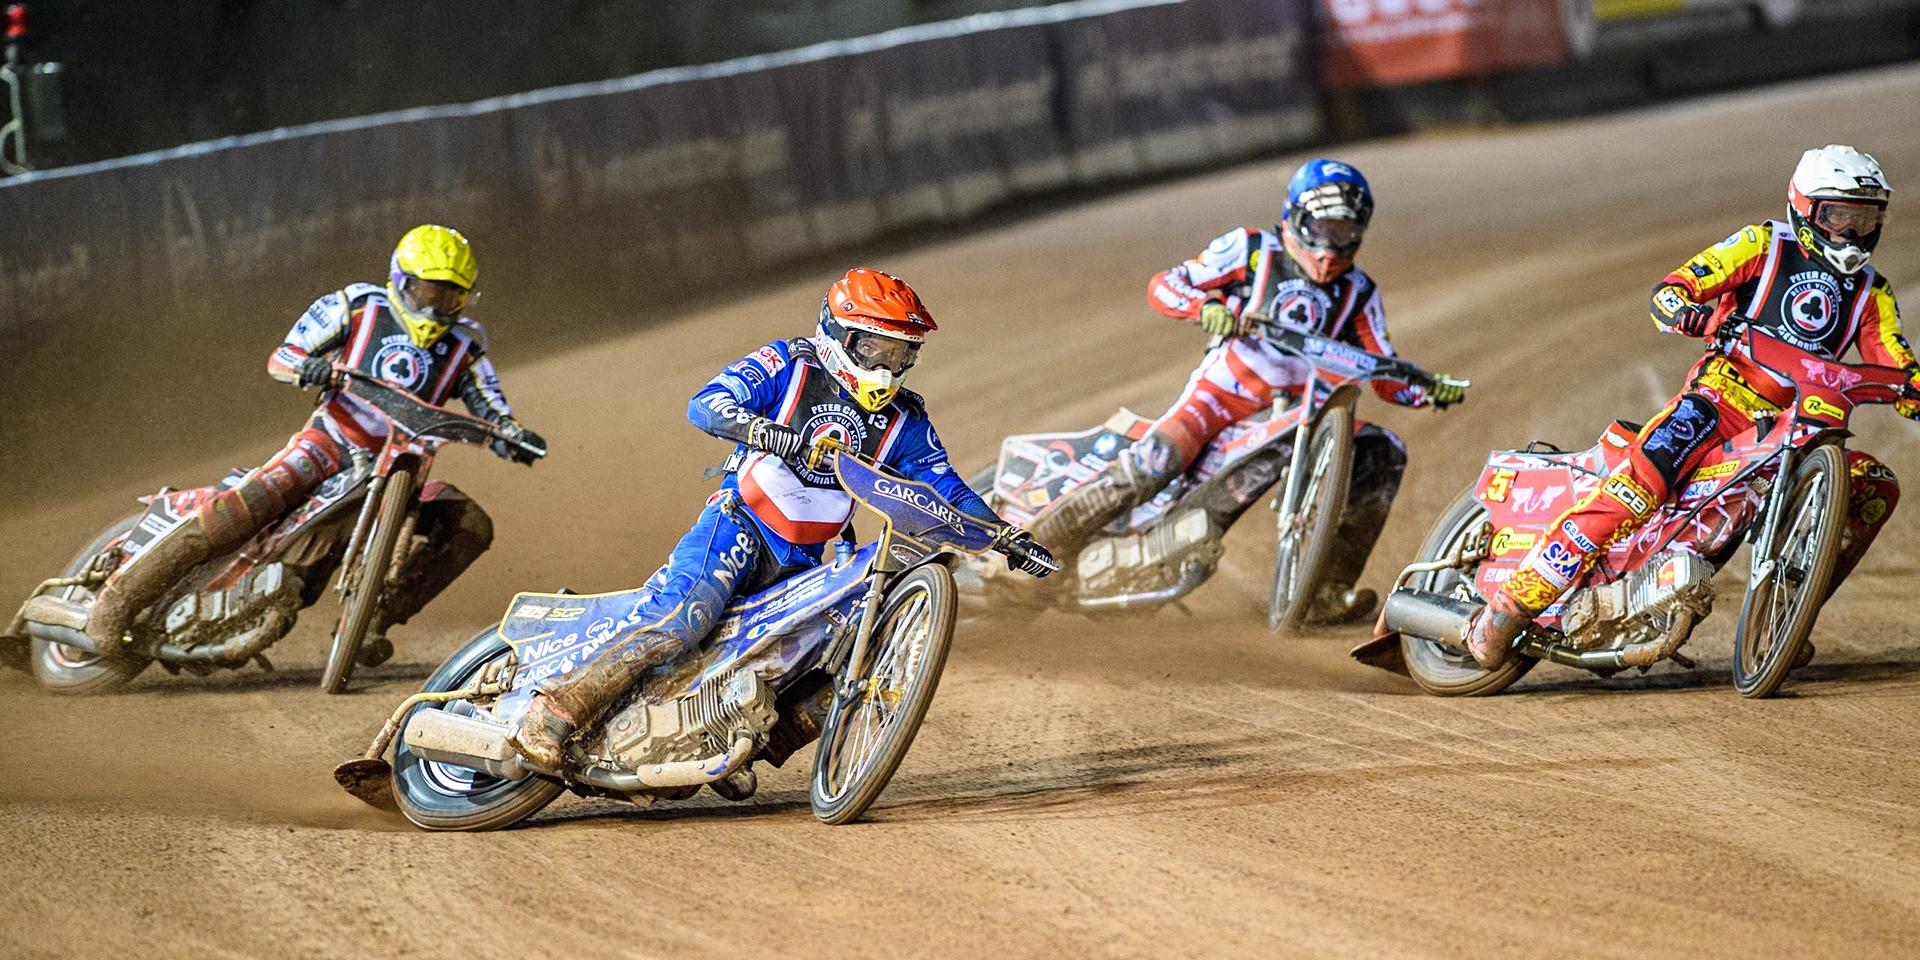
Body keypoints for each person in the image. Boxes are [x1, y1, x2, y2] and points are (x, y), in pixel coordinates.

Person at [509, 267, 1054, 774]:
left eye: (900, 353)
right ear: (836, 334)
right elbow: (706, 404)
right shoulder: (789, 362)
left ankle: (737, 749)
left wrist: (1005, 535)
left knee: (842, 659)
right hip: (740, 522)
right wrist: (760, 430)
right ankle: (553, 711)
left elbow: (945, 486)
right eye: (873, 348)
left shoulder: (907, 418)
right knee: (682, 615)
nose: (885, 367)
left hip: (809, 557)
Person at [1464, 145, 1910, 669]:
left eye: (1865, 219)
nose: (1852, 233)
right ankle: (1508, 607)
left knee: (1876, 485)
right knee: (1636, 491)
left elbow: (1897, 363)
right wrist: (1694, 316)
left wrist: (1912, 389)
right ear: (1805, 208)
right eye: (1839, 217)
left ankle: (1785, 616)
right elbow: (1674, 290)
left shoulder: (1872, 293)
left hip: (1800, 425)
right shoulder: (1761, 244)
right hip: (1716, 403)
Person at [1026, 158, 1465, 623]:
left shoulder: (1358, 292)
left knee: (1382, 450)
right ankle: (1029, 551)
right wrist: (1206, 306)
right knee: (1159, 460)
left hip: (1295, 413)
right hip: (1220, 395)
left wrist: (1427, 389)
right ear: (1295, 216)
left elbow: (1383, 369)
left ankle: (1325, 590)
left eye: (1344, 230)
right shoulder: (1251, 249)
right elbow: (1165, 285)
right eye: (1322, 226)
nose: (1331, 243)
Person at [84, 224, 545, 660]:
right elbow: (283, 357)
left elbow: (493, 410)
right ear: (401, 281)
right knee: (257, 501)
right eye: (427, 293)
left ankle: (374, 620)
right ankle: (117, 601)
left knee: (471, 525)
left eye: (449, 297)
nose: (434, 308)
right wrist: (310, 367)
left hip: (402, 468)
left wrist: (513, 436)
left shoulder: (466, 345)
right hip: (329, 443)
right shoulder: (357, 305)